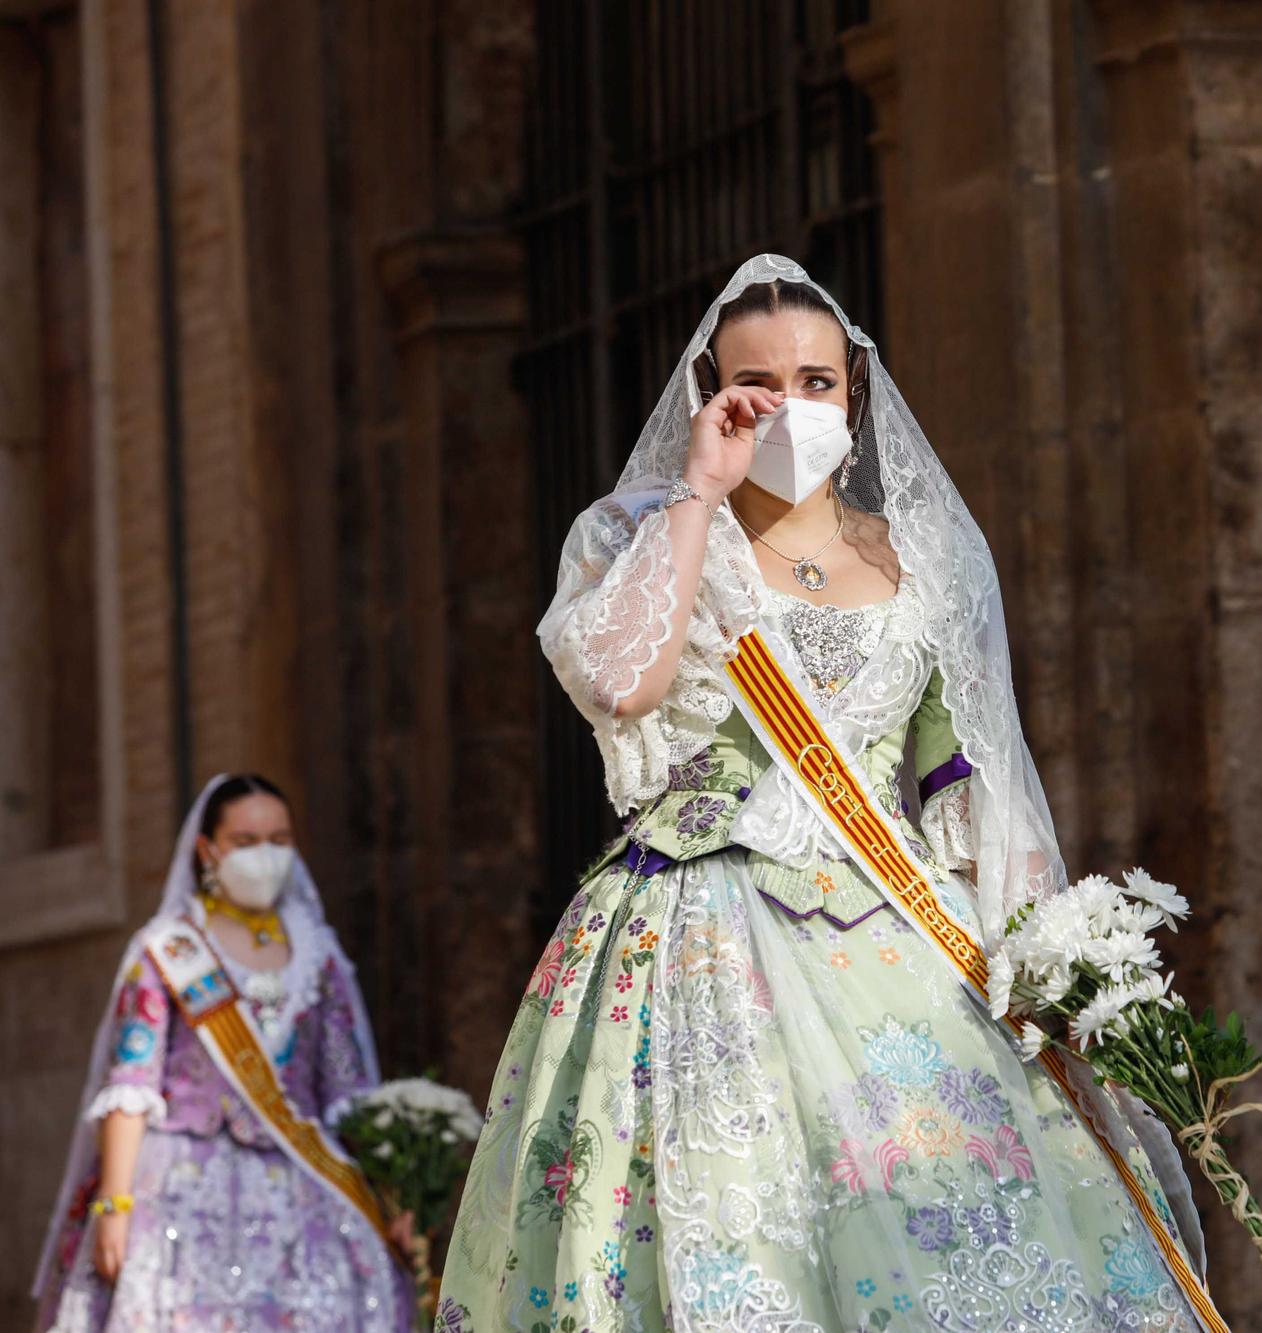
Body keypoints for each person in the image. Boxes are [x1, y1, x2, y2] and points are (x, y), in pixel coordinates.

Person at [437, 255, 1221, 1331]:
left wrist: (1054, 961)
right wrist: (697, 494)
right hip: (696, 927)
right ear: (710, 394)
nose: (788, 407)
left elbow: (971, 773)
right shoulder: (638, 532)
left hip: (898, 932)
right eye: (754, 385)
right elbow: (623, 684)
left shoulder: (929, 560)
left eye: (815, 381)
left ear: (853, 389)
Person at [35, 773, 410, 1331]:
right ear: (208, 849)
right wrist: (114, 1205)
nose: (265, 855)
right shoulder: (167, 949)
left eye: (279, 841)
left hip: (303, 1192)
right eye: (245, 841)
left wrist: (392, 1195)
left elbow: (348, 1093)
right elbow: (132, 1083)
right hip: (179, 1191)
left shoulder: (317, 953)